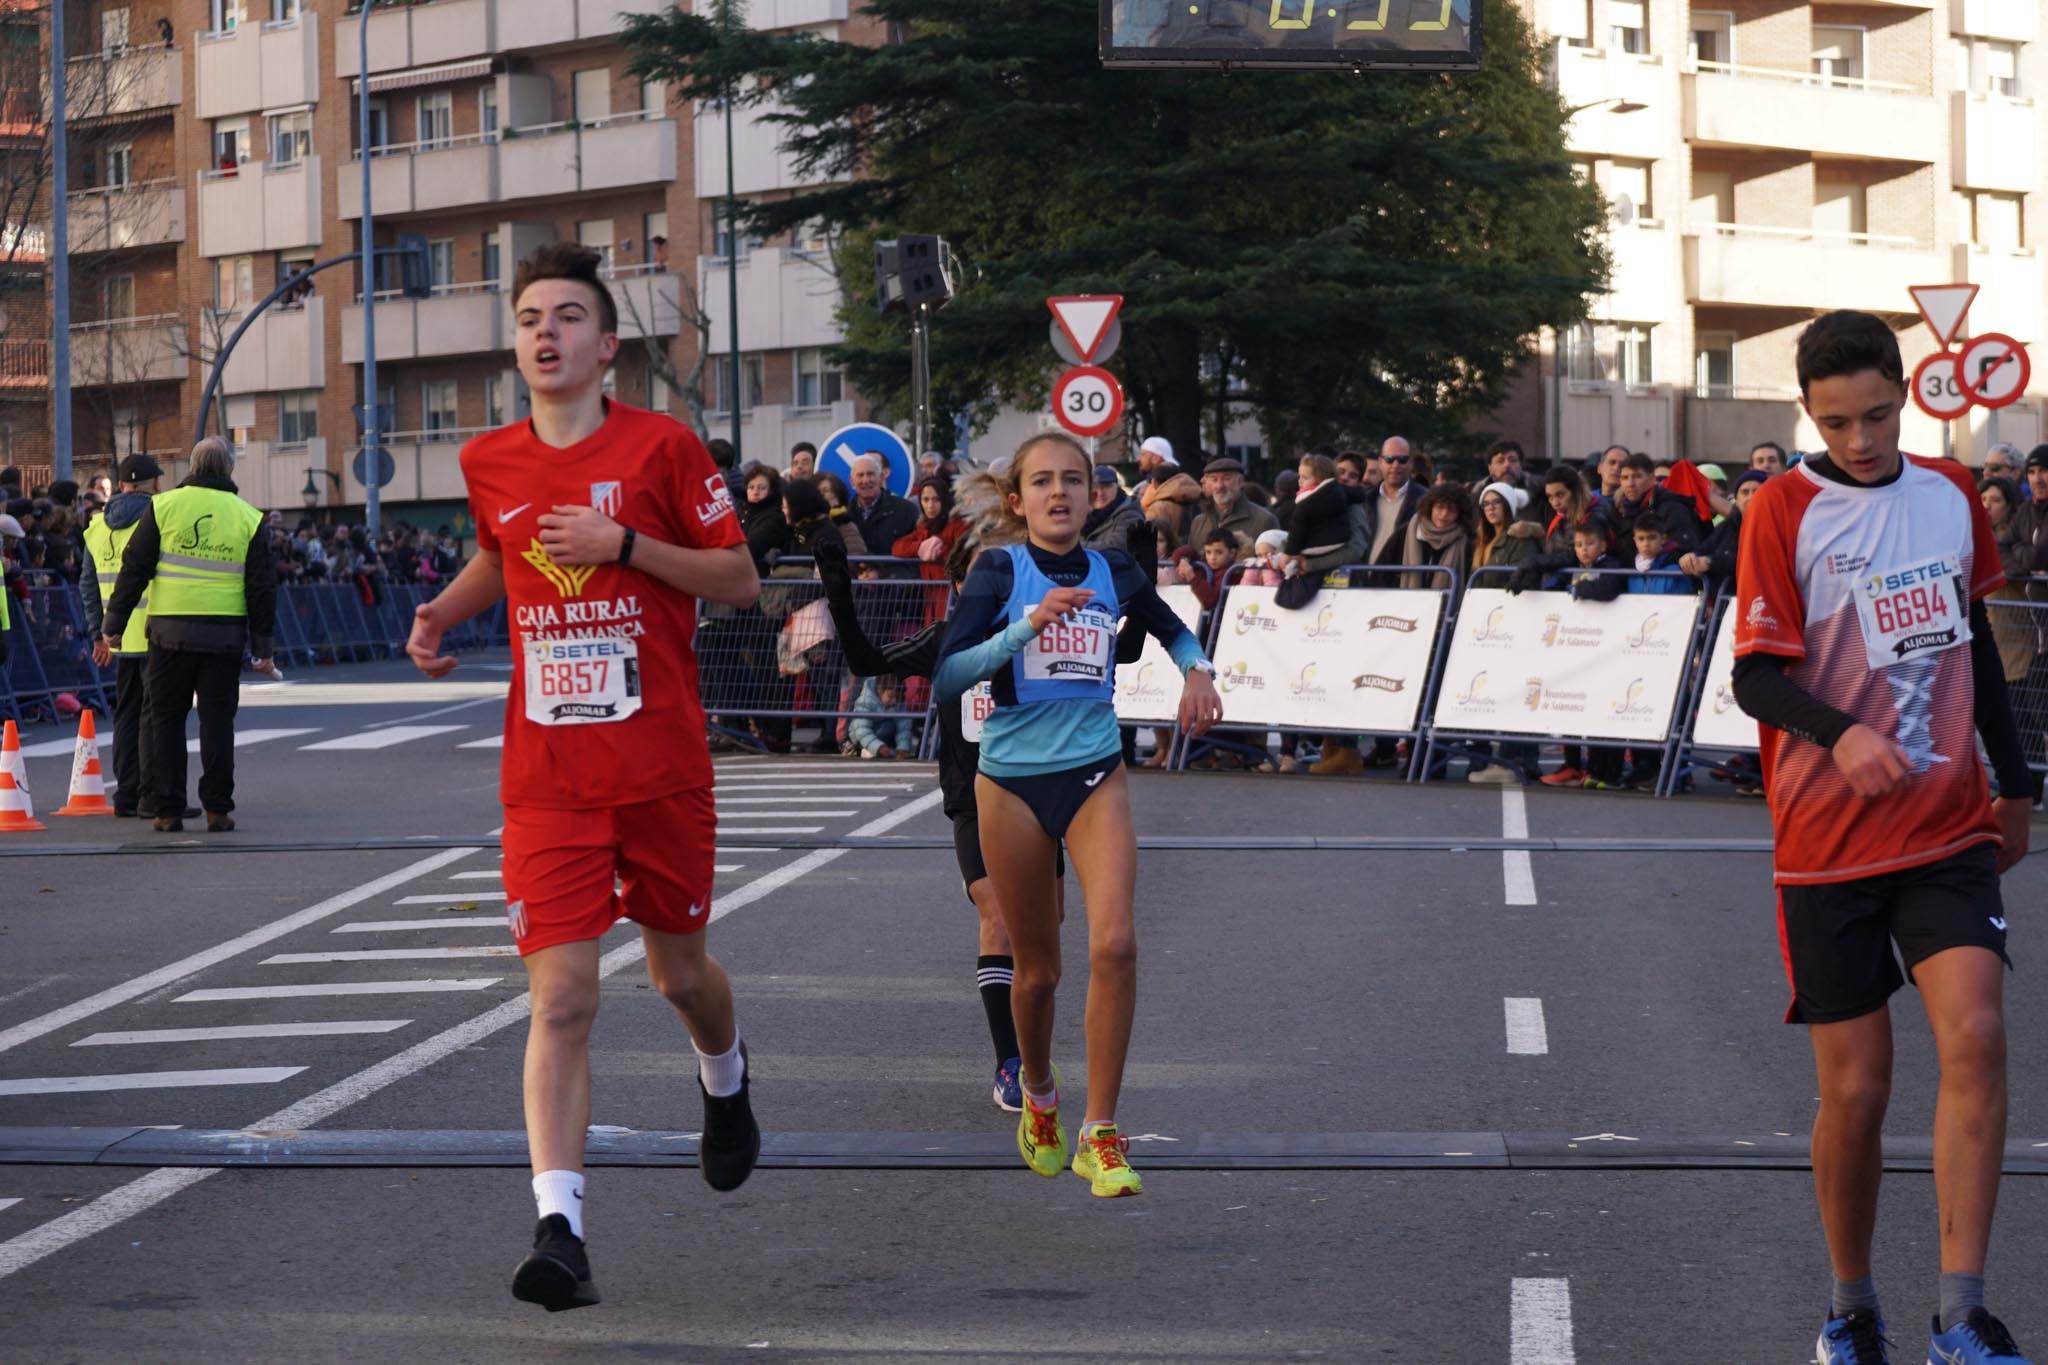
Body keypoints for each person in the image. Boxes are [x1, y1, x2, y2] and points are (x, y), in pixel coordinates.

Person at [404, 242, 764, 1314]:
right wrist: (443, 611)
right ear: (517, 345)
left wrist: (624, 543)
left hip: (657, 767)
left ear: (605, 346)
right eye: (527, 318)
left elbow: (739, 580)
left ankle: (727, 1078)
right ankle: (560, 1227)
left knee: (678, 977)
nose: (544, 332)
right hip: (548, 776)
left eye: (566, 315)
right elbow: (502, 551)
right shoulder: (491, 462)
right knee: (561, 998)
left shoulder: (662, 447)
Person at [1731, 310, 2036, 1365]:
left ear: (1901, 394)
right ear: (1807, 415)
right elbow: (1752, 676)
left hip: (1947, 825)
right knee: (1855, 1092)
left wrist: (2016, 785)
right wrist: (1842, 731)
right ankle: (1848, 1308)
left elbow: (1982, 651)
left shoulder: (1950, 495)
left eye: (1872, 416)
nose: (1858, 440)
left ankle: (1959, 1312)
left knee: (1977, 1037)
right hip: (1825, 842)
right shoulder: (1778, 507)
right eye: (1834, 422)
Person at [935, 433, 1220, 1198]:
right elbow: (950, 676)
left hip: (1096, 771)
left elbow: (1171, 626)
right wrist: (1028, 625)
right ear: (1018, 498)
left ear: (1097, 496)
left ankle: (1100, 1129)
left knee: (1117, 943)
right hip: (1011, 785)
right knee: (1038, 972)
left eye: (1073, 481)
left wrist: (1196, 671)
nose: (1058, 493)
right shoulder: (1000, 569)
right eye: (1041, 481)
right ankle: (1039, 1091)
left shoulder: (1113, 567)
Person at [99, 438, 275, 833]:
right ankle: (217, 809)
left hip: (168, 635)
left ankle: (167, 810)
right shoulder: (248, 518)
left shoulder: (163, 507)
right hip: (224, 637)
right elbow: (262, 589)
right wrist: (264, 649)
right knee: (217, 722)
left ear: (192, 467)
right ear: (229, 469)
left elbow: (134, 570)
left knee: (165, 720)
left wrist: (113, 625)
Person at [80, 454, 186, 820]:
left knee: (125, 714)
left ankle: (126, 794)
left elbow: (88, 587)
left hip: (118, 637)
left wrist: (99, 633)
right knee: (155, 716)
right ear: (153, 484)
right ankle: (152, 795)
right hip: (155, 631)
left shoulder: (96, 526)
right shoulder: (161, 515)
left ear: (122, 484)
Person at [1188, 455, 1277, 559]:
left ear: (1241, 481)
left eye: (1227, 478)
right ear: (1207, 483)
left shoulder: (1265, 520)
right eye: (1214, 479)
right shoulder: (1198, 522)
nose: (1219, 486)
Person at [1399, 482, 1473, 589]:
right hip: (1405, 603)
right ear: (1430, 507)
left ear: (1460, 514)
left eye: (1451, 509)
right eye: (1439, 507)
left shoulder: (1467, 541)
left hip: (1447, 605)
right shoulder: (1407, 531)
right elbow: (1382, 574)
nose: (1444, 514)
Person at [1136, 435, 1203, 544]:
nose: (1138, 459)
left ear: (1156, 458)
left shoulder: (1160, 505)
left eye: (1143, 454)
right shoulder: (1189, 489)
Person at [846, 453, 919, 552]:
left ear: (881, 478)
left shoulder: (906, 511)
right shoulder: (843, 515)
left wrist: (881, 568)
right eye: (860, 475)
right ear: (852, 481)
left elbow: (913, 557)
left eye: (870, 474)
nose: (866, 480)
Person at [1082, 465, 1143, 551]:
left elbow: (1117, 547)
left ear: (1117, 487)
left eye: (1106, 486)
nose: (1100, 493)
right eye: (1094, 487)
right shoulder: (1084, 514)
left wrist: (1076, 548)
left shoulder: (1131, 515)